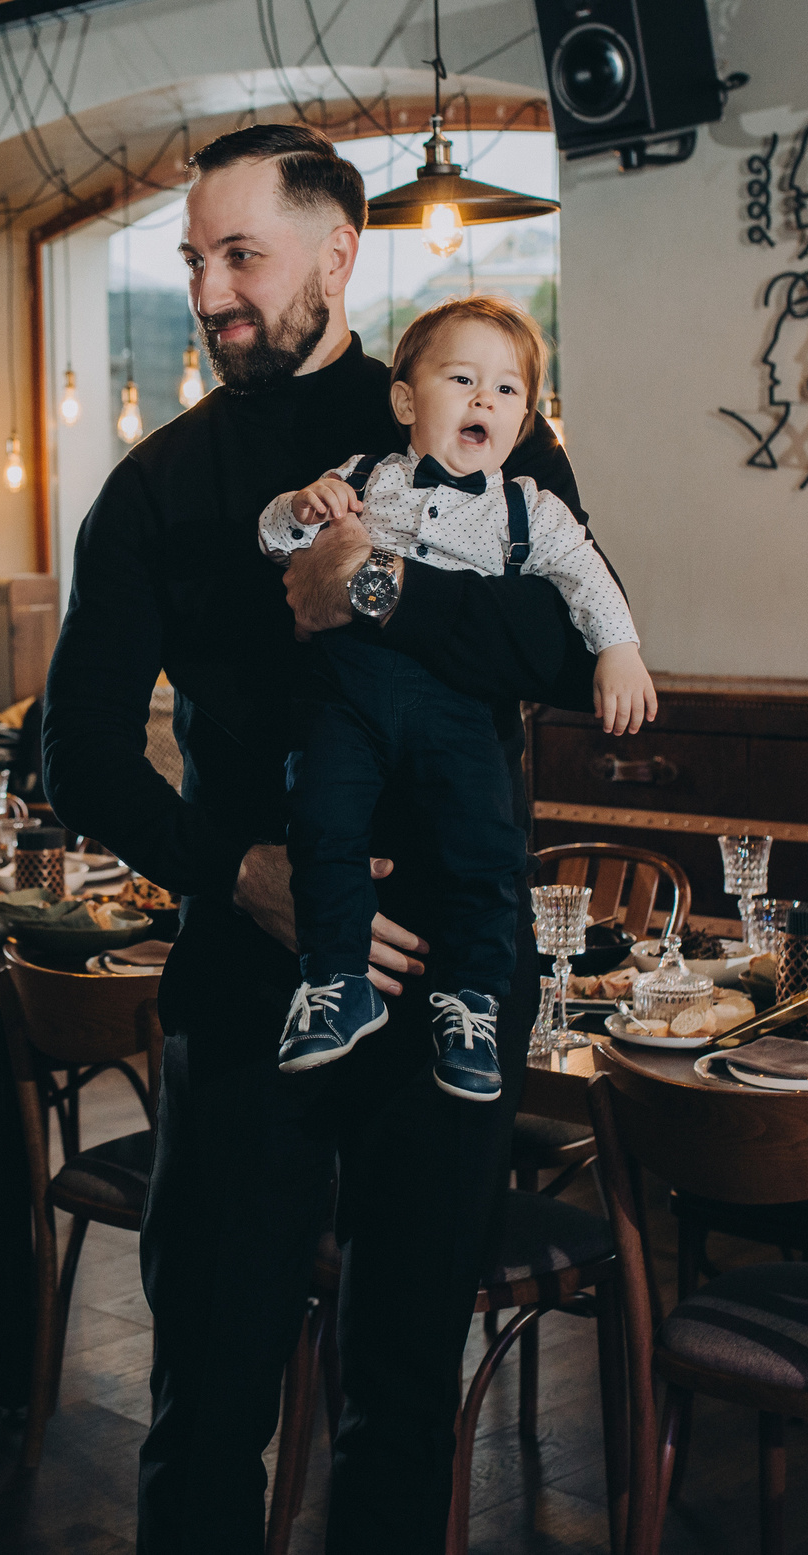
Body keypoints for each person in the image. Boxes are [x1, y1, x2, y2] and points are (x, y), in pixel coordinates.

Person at [42, 122, 611, 1554]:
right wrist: (236, 871)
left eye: (242, 254)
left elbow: (556, 647)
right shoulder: (156, 484)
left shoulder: (473, 413)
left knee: (404, 1388)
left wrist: (372, 599)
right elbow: (81, 752)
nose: (211, 290)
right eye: (192, 261)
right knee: (209, 1386)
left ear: (338, 253)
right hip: (248, 972)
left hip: (450, 977)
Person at [260, 294, 655, 1100]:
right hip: (350, 695)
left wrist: (620, 649)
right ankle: (337, 982)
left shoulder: (529, 509)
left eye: (507, 391)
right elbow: (277, 542)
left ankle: (472, 1000)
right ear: (407, 401)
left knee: (485, 846)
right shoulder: (363, 478)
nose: (485, 400)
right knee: (322, 816)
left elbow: (589, 579)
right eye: (463, 379)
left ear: (524, 420)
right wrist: (300, 507)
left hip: (460, 706)